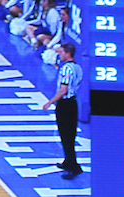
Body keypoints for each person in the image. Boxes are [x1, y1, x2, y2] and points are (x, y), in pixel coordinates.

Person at [41, 42, 83, 180]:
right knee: (70, 135)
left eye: (61, 52)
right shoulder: (78, 68)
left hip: (65, 104)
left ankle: (73, 167)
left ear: (67, 53)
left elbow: (63, 90)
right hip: (73, 103)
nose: (60, 55)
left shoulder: (66, 69)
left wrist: (50, 102)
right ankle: (68, 161)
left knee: (66, 137)